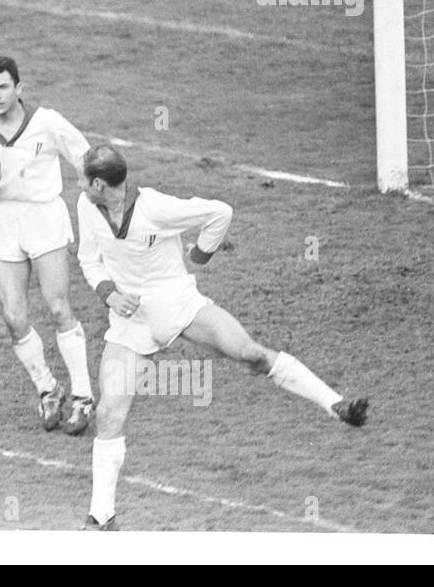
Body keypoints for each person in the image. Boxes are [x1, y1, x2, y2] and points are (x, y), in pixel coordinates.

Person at [76, 145, 370, 531]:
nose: (79, 184)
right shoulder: (86, 205)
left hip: (180, 305)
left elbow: (220, 212)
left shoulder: (156, 208)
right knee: (108, 413)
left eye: (84, 178)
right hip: (130, 323)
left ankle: (336, 405)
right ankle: (101, 517)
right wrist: (109, 294)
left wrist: (199, 257)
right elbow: (88, 258)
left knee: (251, 355)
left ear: (99, 183)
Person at [0, 56, 96, 435]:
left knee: (57, 306)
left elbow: (84, 157)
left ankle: (83, 396)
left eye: (4, 87)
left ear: (19, 89)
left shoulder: (47, 121)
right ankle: (48, 388)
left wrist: (93, 196)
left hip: (44, 216)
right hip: (1, 222)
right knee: (14, 316)